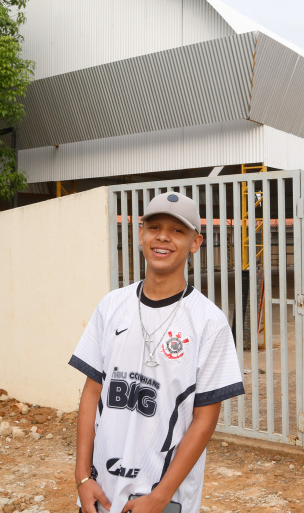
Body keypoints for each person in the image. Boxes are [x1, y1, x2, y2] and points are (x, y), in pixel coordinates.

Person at [69, 191, 244, 513]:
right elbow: (92, 392)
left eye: (178, 230)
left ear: (195, 242)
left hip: (163, 497)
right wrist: (82, 477)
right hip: (101, 490)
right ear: (140, 234)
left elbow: (205, 419)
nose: (163, 237)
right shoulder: (112, 306)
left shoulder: (209, 321)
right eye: (155, 227)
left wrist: (161, 496)